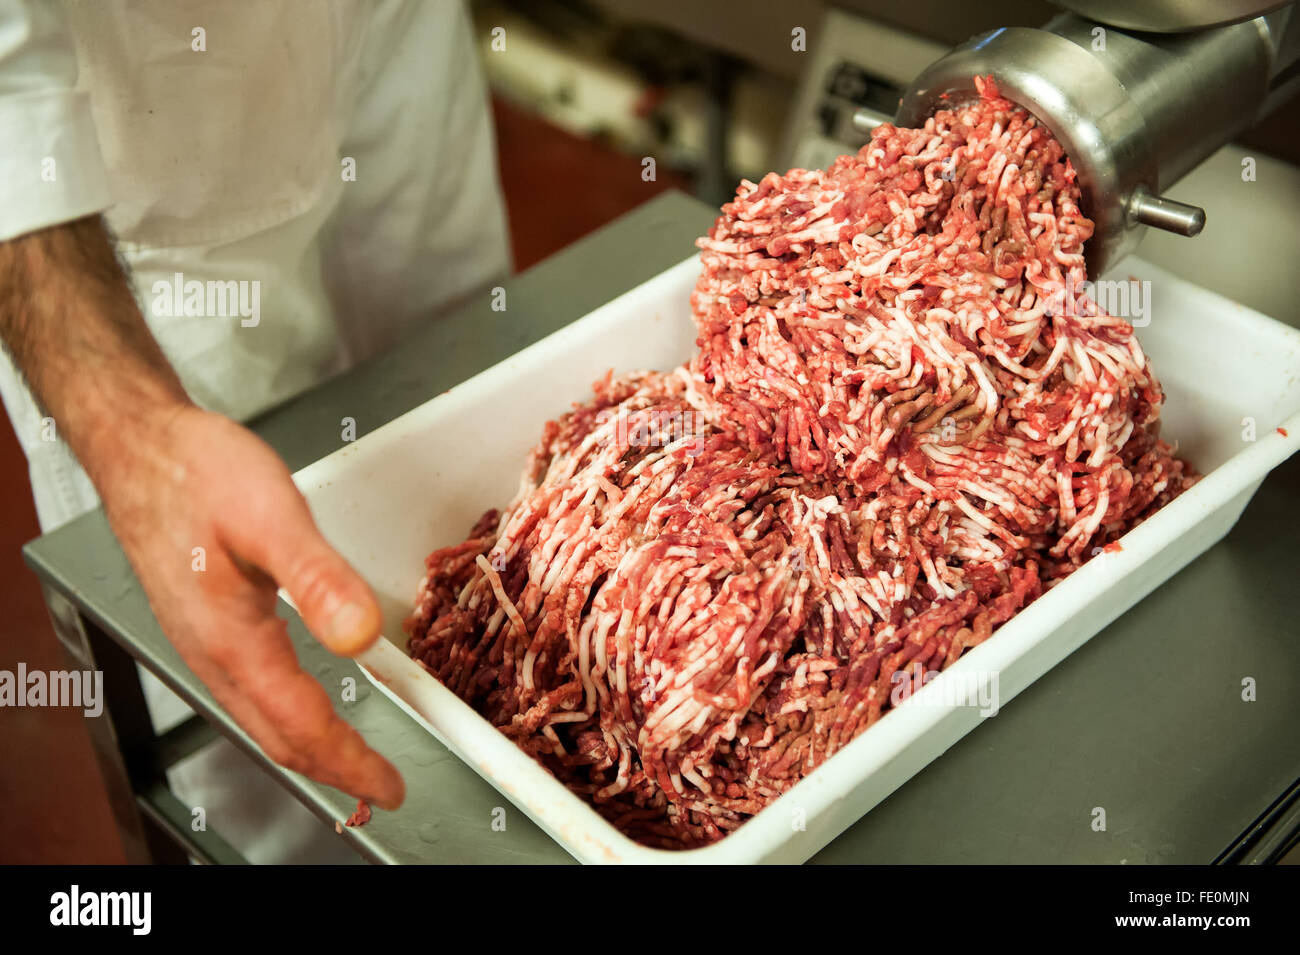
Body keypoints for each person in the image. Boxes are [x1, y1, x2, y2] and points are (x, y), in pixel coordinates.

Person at [0, 0, 510, 859]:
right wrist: (136, 432)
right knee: (254, 633)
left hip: (390, 23)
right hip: (150, 119)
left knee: (472, 435)